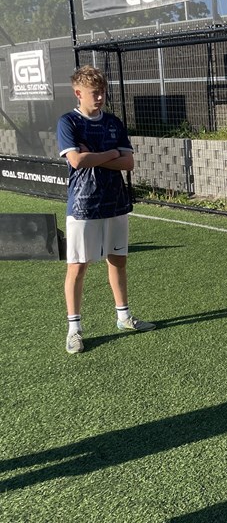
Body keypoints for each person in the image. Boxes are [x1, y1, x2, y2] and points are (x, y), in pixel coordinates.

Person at [57, 65, 155, 354]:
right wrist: (111, 154)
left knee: (118, 261)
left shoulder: (113, 122)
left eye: (102, 92)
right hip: (83, 204)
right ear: (78, 93)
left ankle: (124, 317)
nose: (100, 97)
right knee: (78, 267)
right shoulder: (68, 122)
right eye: (94, 93)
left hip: (115, 202)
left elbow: (128, 163)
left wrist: (97, 155)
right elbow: (77, 161)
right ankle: (74, 330)